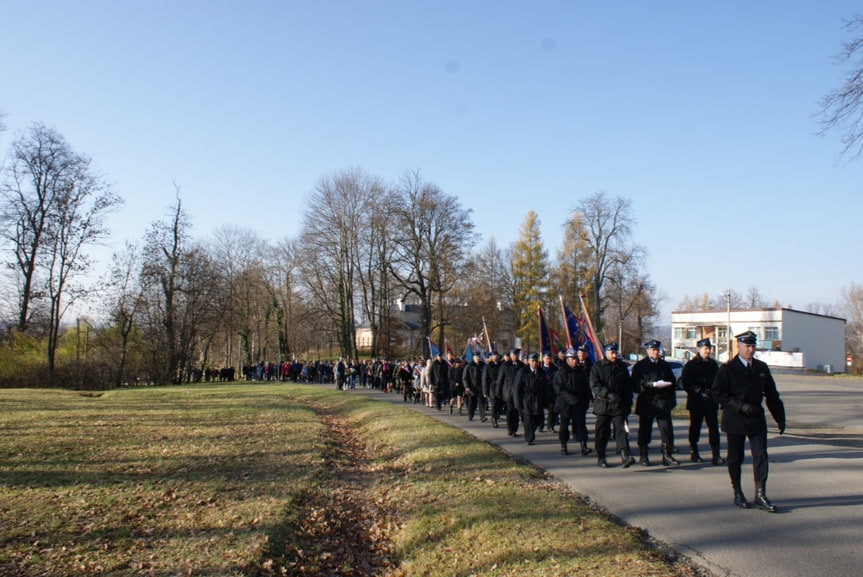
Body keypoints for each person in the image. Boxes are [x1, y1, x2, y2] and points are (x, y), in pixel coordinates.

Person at [712, 331, 786, 512]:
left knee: (761, 455)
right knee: (735, 457)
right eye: (747, 346)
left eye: (753, 346)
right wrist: (738, 405)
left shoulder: (761, 368)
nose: (750, 350)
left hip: (756, 418)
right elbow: (718, 393)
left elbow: (772, 395)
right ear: (739, 346)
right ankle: (737, 492)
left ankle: (760, 494)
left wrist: (780, 418)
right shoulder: (727, 369)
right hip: (735, 418)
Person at [631, 340, 679, 466]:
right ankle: (643, 455)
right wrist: (649, 385)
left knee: (666, 429)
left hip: (662, 401)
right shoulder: (640, 366)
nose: (655, 352)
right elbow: (635, 384)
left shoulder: (664, 365)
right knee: (644, 430)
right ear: (647, 351)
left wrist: (667, 386)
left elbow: (672, 381)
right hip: (647, 402)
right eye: (653, 350)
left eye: (657, 349)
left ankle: (667, 455)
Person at [590, 342, 636, 468]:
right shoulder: (598, 367)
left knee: (621, 430)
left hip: (619, 405)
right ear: (606, 353)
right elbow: (595, 385)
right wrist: (608, 394)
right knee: (602, 432)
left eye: (616, 352)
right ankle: (601, 456)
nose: (615, 355)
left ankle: (625, 455)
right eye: (612, 352)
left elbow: (627, 386)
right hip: (603, 405)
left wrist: (628, 402)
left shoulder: (621, 367)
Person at [681, 338, 725, 465]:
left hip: (711, 401)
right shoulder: (691, 365)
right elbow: (686, 383)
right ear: (699, 349)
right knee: (695, 428)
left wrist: (717, 394)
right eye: (705, 348)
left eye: (709, 348)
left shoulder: (713, 364)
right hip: (697, 402)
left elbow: (719, 381)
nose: (708, 351)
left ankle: (716, 454)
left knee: (714, 429)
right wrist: (698, 391)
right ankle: (694, 451)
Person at [553, 346, 593, 456]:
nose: (575, 361)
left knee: (581, 425)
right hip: (565, 404)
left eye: (576, 358)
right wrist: (571, 399)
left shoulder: (581, 371)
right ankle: (563, 446)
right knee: (564, 426)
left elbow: (586, 387)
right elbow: (559, 389)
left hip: (579, 403)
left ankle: (583, 445)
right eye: (572, 359)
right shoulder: (561, 372)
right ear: (567, 359)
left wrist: (586, 400)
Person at [513, 352, 549, 445]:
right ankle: (529, 438)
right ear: (528, 361)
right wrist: (518, 403)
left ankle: (531, 432)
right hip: (527, 399)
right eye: (533, 361)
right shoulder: (522, 372)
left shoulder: (541, 372)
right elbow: (517, 388)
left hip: (538, 399)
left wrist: (546, 401)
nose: (535, 363)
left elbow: (545, 388)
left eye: (536, 361)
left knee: (539, 419)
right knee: (528, 420)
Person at [496, 348, 523, 437]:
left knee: (516, 411)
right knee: (510, 410)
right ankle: (510, 429)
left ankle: (514, 429)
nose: (515, 357)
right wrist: (498, 391)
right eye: (513, 355)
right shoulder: (505, 365)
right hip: (508, 392)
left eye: (516, 355)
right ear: (510, 356)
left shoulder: (521, 366)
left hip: (518, 393)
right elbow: (500, 379)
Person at [482, 349, 503, 427]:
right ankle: (493, 419)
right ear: (491, 356)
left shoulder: (501, 365)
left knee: (500, 404)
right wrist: (485, 391)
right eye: (494, 355)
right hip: (492, 387)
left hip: (500, 387)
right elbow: (484, 379)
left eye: (496, 355)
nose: (495, 356)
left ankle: (497, 415)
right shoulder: (488, 366)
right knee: (494, 404)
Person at [462, 352, 485, 421]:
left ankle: (482, 417)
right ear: (473, 358)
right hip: (472, 388)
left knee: (481, 403)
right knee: (472, 403)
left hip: (480, 387)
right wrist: (466, 386)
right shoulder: (469, 366)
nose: (478, 358)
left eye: (478, 357)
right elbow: (465, 377)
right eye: (476, 357)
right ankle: (471, 414)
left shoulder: (483, 366)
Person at [540, 351, 559, 433]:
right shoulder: (540, 369)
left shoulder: (555, 369)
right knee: (539, 411)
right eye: (546, 358)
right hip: (541, 392)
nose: (548, 360)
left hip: (551, 392)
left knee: (552, 410)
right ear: (543, 359)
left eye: (549, 359)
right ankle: (540, 425)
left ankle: (550, 425)